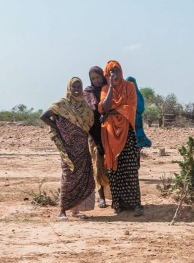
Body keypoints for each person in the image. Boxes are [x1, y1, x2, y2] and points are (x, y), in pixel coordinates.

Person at [39, 77, 96, 220]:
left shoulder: (85, 107)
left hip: (82, 147)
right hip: (68, 148)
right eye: (74, 86)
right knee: (68, 178)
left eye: (79, 86)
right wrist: (57, 127)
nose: (76, 89)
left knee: (82, 178)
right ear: (69, 88)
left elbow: (90, 124)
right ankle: (62, 211)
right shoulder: (62, 104)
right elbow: (44, 116)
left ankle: (76, 211)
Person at [99, 60, 143, 216]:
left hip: (127, 132)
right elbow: (104, 107)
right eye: (111, 71)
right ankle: (118, 203)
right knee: (114, 169)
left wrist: (111, 112)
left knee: (130, 168)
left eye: (116, 70)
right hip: (111, 134)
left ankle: (136, 204)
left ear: (121, 71)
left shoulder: (129, 87)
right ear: (107, 74)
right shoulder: (105, 89)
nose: (114, 74)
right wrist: (110, 85)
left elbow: (130, 107)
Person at [84, 66, 111, 208]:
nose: (96, 80)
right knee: (98, 163)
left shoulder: (110, 89)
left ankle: (113, 195)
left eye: (98, 77)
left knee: (111, 163)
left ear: (102, 76)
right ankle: (101, 198)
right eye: (93, 78)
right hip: (94, 132)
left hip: (110, 132)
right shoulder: (88, 92)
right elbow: (94, 108)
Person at [126, 76, 152, 149]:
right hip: (128, 122)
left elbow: (141, 108)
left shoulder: (138, 95)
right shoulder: (124, 95)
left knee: (137, 143)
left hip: (136, 120)